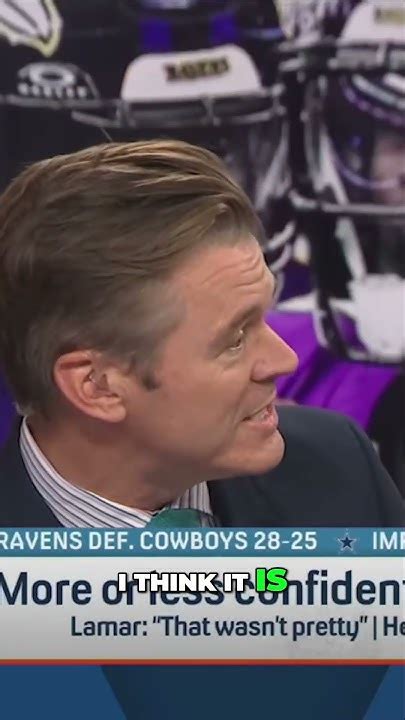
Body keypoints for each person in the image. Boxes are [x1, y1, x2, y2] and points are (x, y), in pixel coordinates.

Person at [0, 138, 403, 528]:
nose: (285, 360)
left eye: (264, 317)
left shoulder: (340, 467)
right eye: (235, 340)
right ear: (97, 385)